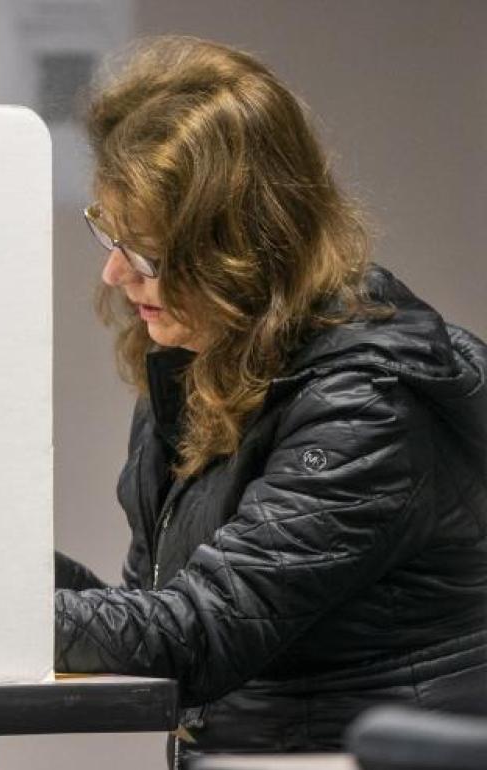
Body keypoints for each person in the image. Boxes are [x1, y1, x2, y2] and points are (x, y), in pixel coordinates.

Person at [54, 36, 487, 767]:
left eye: (149, 251)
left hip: (349, 758)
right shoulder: (199, 365)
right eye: (112, 233)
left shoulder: (368, 404)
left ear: (241, 248)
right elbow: (155, 608)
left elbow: (195, 637)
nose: (116, 271)